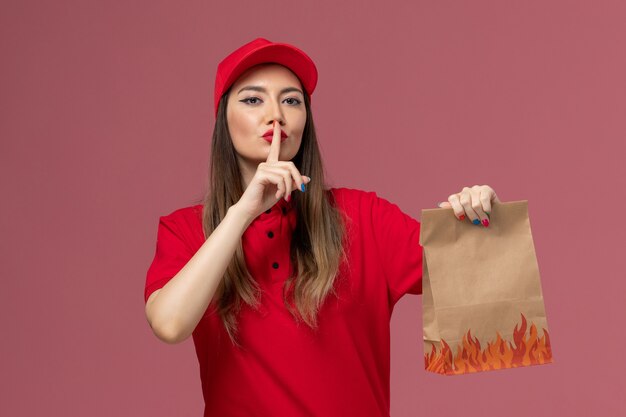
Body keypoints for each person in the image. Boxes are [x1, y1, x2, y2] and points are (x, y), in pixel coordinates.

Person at [144, 37, 502, 417]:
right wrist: (241, 213)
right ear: (223, 120)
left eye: (291, 100)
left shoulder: (363, 217)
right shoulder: (185, 230)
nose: (275, 114)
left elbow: (482, 280)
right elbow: (169, 324)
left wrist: (480, 220)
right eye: (252, 100)